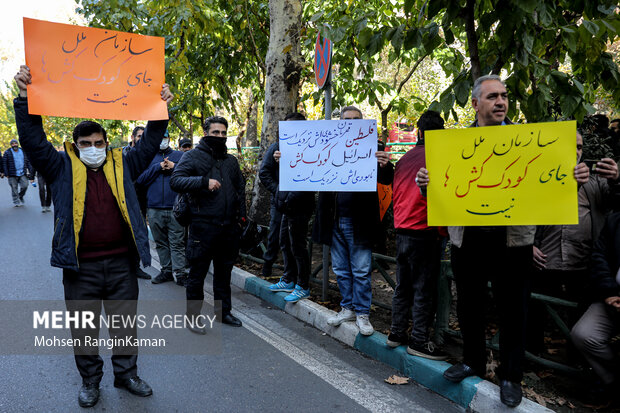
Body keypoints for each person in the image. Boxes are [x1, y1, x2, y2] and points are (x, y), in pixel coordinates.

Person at [417, 74, 589, 407]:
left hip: (513, 244)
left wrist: (575, 180)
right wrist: (425, 182)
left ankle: (511, 377)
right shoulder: (454, 146)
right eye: (493, 96)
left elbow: (551, 189)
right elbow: (439, 193)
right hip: (468, 242)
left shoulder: (530, 141)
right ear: (476, 103)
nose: (501, 102)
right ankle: (472, 363)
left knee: (515, 311)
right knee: (469, 306)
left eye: (505, 96)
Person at [14, 65, 173, 408]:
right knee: (84, 329)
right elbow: (33, 141)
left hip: (120, 264)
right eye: (85, 144)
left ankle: (126, 374)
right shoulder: (60, 168)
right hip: (80, 267)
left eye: (98, 142)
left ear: (107, 143)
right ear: (75, 146)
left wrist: (160, 109)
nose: (93, 148)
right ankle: (90, 381)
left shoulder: (124, 163)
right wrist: (26, 98)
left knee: (124, 323)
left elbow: (149, 143)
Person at [528, 131, 620, 354]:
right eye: (570, 146)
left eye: (579, 147)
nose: (576, 152)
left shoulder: (595, 181)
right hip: (545, 261)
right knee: (535, 313)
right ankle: (533, 357)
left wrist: (617, 178)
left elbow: (615, 202)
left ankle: (576, 362)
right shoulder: (535, 177)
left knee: (579, 317)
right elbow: (521, 214)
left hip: (583, 263)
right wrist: (527, 245)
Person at [312, 106, 394, 336]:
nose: (350, 123)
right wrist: (283, 158)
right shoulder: (326, 144)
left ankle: (362, 313)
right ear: (339, 121)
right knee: (340, 268)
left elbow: (388, 178)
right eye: (346, 119)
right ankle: (347, 307)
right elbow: (304, 163)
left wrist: (386, 165)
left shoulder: (374, 147)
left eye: (356, 120)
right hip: (333, 220)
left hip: (360, 221)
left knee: (360, 270)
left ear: (362, 122)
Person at [170, 116, 246, 333]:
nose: (220, 137)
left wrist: (241, 219)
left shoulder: (231, 161)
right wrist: (203, 182)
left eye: (223, 133)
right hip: (202, 227)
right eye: (215, 133)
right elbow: (176, 181)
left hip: (228, 228)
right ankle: (192, 318)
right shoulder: (192, 156)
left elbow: (240, 189)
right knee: (197, 275)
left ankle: (223, 313)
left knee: (224, 273)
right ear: (206, 134)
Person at [387, 110, 448, 360]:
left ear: (419, 133)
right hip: (425, 232)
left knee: (403, 286)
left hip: (402, 231)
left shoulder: (404, 159)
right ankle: (419, 341)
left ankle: (396, 333)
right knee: (424, 289)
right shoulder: (441, 158)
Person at [571, 211, 620, 402]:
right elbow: (599, 256)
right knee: (583, 334)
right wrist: (609, 292)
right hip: (613, 296)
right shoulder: (615, 219)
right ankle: (612, 381)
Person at [262, 112, 310, 288]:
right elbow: (264, 173)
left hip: (300, 205)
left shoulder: (312, 148)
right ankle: (287, 277)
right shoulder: (277, 148)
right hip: (281, 204)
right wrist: (279, 193)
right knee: (281, 240)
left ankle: (302, 283)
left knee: (297, 244)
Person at [136, 132, 187, 286]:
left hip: (175, 208)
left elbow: (188, 175)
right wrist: (158, 167)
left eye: (164, 138)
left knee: (177, 241)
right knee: (160, 242)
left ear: (169, 140)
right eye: (159, 138)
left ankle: (181, 273)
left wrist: (174, 167)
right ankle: (166, 270)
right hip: (154, 207)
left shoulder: (179, 156)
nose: (162, 141)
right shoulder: (148, 157)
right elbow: (140, 179)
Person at [123, 126, 152, 280]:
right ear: (133, 137)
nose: (142, 139)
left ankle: (136, 266)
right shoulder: (124, 155)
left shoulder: (148, 156)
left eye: (144, 136)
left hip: (144, 199)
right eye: (139, 136)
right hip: (128, 199)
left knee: (140, 233)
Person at [3, 138, 34, 206]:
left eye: (15, 143)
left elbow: (28, 162)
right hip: (12, 174)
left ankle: (20, 196)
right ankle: (16, 201)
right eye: (12, 144)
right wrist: (6, 173)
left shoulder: (23, 151)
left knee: (25, 185)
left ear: (17, 144)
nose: (14, 145)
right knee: (14, 188)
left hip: (22, 173)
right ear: (11, 145)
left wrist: (31, 171)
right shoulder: (7, 152)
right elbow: (4, 163)